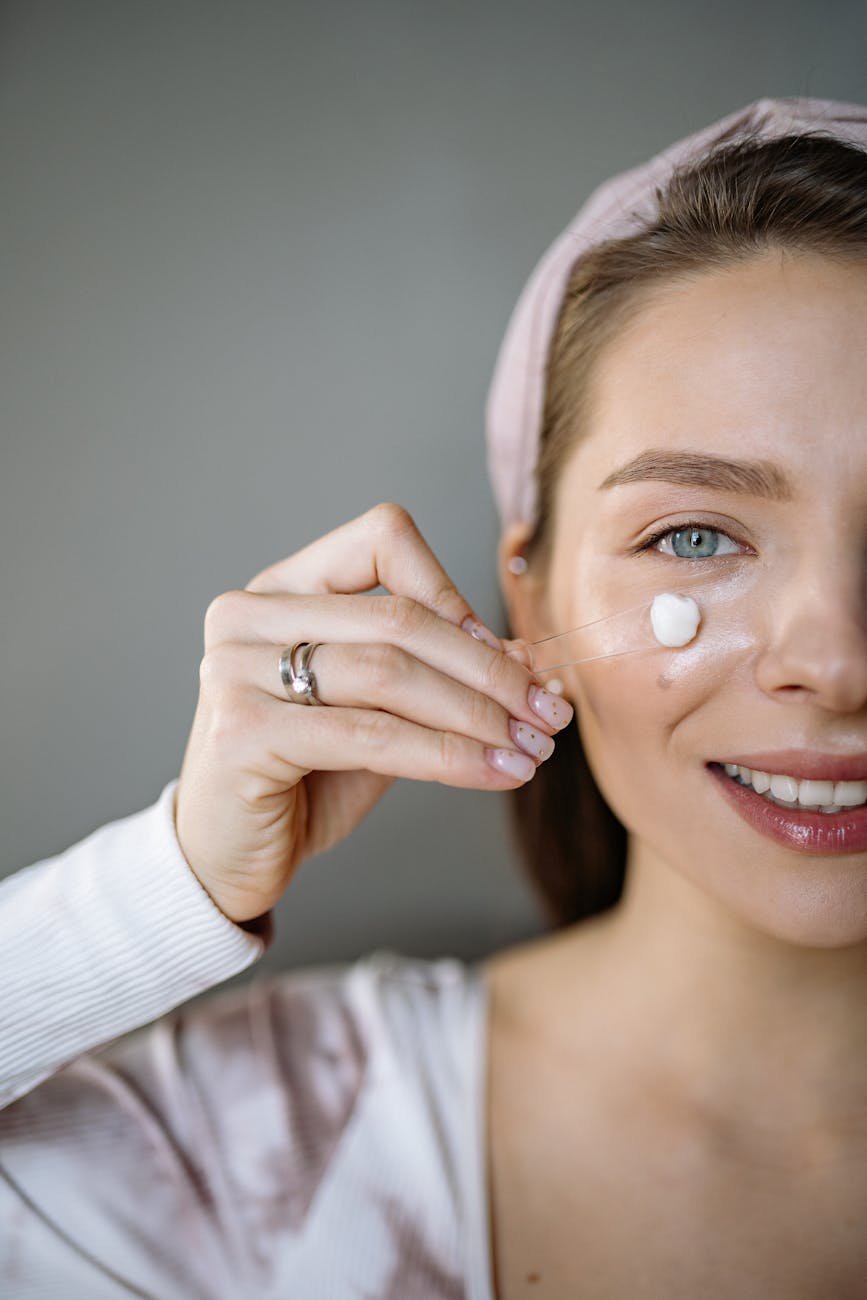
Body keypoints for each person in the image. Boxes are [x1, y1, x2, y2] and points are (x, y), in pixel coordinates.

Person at [2, 95, 866, 1298]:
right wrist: (171, 881)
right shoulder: (270, 1142)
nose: (836, 664)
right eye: (691, 538)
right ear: (533, 601)